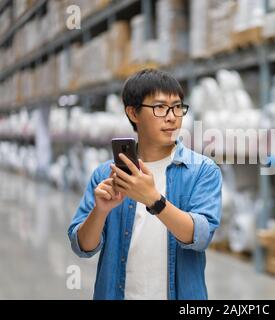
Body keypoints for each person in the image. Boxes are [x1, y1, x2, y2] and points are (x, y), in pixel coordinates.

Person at [68, 69, 222, 300]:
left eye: (177, 107)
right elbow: (83, 246)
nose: (172, 117)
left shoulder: (202, 170)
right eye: (160, 107)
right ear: (133, 113)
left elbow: (200, 236)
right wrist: (100, 211)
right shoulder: (106, 174)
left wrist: (154, 199)